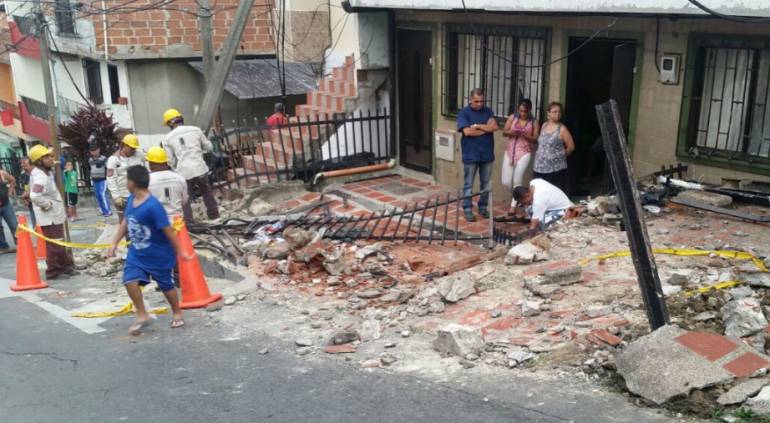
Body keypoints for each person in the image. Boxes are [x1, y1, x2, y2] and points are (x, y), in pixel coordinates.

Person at [107, 165, 192, 335]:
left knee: (166, 286)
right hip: (137, 253)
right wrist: (114, 242)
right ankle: (142, 314)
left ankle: (177, 312)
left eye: (127, 180)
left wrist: (180, 251)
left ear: (132, 183)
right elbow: (126, 221)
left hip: (158, 254)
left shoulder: (153, 206)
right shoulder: (131, 200)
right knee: (130, 281)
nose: (126, 183)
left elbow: (168, 230)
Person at [161, 108, 220, 222]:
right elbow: (209, 147)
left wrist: (175, 169)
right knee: (207, 192)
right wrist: (200, 151)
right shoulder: (196, 130)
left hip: (184, 172)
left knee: (185, 198)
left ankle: (189, 222)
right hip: (200, 168)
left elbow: (170, 160)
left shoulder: (167, 139)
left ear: (169, 123)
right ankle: (214, 216)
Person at [28, 145, 76, 279]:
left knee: (56, 243)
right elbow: (35, 195)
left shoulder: (43, 171)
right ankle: (53, 271)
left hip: (52, 215)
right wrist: (47, 204)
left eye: (50, 156)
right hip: (50, 216)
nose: (51, 159)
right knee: (55, 245)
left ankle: (64, 267)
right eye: (47, 157)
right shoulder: (41, 176)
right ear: (39, 161)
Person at [456, 88, 498, 222]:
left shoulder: (488, 111)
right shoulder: (464, 113)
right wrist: (486, 129)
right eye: (476, 101)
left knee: (485, 184)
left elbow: (494, 127)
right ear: (470, 100)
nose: (480, 104)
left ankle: (483, 207)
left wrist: (477, 126)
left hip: (486, 153)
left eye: (481, 101)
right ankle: (467, 209)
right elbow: (467, 132)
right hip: (471, 154)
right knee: (468, 184)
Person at [501, 99, 540, 216]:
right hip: (509, 151)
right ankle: (518, 198)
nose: (522, 113)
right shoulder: (513, 117)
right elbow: (504, 132)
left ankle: (512, 207)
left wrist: (526, 135)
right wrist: (512, 132)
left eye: (525, 111)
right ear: (518, 109)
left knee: (517, 181)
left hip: (524, 152)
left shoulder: (534, 122)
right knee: (505, 181)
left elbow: (535, 139)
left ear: (529, 111)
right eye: (521, 111)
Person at [532, 102, 575, 194]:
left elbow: (571, 147)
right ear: (548, 113)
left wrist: (558, 156)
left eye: (559, 112)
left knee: (552, 193)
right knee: (539, 192)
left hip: (555, 169)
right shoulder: (544, 125)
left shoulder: (562, 129)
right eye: (554, 112)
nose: (557, 114)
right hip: (539, 166)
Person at [512, 179, 578, 232]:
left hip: (567, 209)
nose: (524, 204)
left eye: (523, 202)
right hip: (553, 204)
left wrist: (531, 232)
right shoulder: (534, 182)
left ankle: (560, 222)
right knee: (529, 209)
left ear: (527, 195)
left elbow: (533, 224)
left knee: (544, 223)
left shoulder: (539, 199)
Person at [107, 134, 146, 223]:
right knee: (124, 221)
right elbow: (111, 179)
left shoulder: (138, 154)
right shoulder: (113, 160)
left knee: (139, 220)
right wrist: (116, 197)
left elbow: (149, 158)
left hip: (138, 193)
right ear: (124, 145)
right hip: (123, 196)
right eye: (131, 148)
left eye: (135, 148)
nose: (133, 150)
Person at [146, 146, 188, 218]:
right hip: (177, 220)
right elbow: (184, 201)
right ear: (166, 162)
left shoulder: (147, 181)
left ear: (151, 163)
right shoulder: (180, 178)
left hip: (158, 221)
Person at [89, 143, 112, 217]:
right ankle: (102, 210)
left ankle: (108, 211)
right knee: (98, 195)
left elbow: (109, 167)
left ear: (98, 150)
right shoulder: (90, 159)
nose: (94, 152)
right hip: (94, 180)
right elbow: (91, 168)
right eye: (92, 151)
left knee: (103, 194)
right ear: (90, 152)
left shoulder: (104, 158)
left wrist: (103, 164)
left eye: (95, 150)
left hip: (103, 179)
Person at [0, 167, 18, 253]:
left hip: (6, 204)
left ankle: (20, 244)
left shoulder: (1, 173)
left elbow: (12, 180)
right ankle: (3, 247)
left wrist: (10, 192)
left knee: (14, 224)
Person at [20, 157, 36, 227]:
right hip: (29, 200)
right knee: (33, 218)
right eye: (21, 163)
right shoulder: (23, 174)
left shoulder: (35, 173)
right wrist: (25, 198)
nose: (22, 165)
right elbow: (23, 186)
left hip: (37, 199)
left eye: (24, 163)